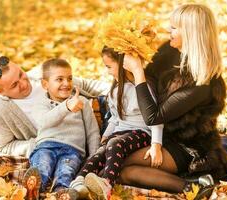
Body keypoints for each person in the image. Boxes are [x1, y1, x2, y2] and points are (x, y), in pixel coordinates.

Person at [118, 4, 227, 199]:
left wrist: (138, 71)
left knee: (123, 167)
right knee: (116, 164)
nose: (168, 31)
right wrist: (138, 47)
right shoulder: (169, 51)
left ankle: (194, 185)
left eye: (174, 28)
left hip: (188, 147)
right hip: (160, 135)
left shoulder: (201, 83)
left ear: (191, 33)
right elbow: (147, 86)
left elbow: (153, 116)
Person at [70, 47, 164, 200]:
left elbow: (156, 120)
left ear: (123, 65)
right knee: (99, 153)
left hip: (141, 132)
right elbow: (115, 117)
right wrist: (106, 134)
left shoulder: (142, 88)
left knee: (114, 143)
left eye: (108, 66)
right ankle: (79, 183)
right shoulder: (115, 89)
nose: (107, 71)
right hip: (120, 132)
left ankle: (106, 185)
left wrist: (156, 145)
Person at [0, 56, 109, 158]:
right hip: (75, 148)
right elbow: (1, 147)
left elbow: (86, 85)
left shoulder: (43, 74)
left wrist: (116, 91)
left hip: (99, 115)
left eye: (21, 74)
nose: (24, 83)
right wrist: (40, 145)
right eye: (15, 85)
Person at [26, 58, 100, 199]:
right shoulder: (41, 103)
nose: (66, 83)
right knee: (43, 166)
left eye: (69, 78)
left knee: (66, 172)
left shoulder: (81, 102)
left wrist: (93, 158)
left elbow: (92, 132)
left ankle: (61, 193)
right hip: (46, 146)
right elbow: (43, 122)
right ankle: (32, 190)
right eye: (59, 79)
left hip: (73, 150)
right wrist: (66, 107)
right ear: (45, 84)